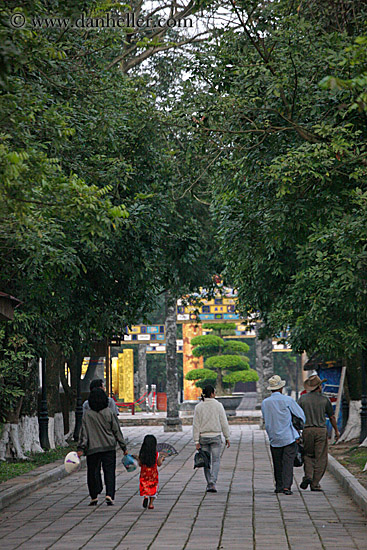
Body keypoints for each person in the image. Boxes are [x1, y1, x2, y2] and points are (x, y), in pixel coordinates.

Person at [77, 387, 128, 506]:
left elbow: (84, 434)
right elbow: (116, 431)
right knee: (109, 472)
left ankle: (94, 496)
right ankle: (109, 494)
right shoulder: (109, 412)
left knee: (92, 472)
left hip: (92, 448)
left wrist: (81, 448)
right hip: (108, 447)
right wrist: (123, 447)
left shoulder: (87, 415)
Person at [261, 375, 306, 495]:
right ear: (281, 388)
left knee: (277, 463)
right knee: (288, 463)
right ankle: (287, 486)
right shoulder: (288, 400)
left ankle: (279, 485)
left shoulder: (265, 403)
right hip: (288, 437)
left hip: (274, 437)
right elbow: (301, 416)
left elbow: (265, 418)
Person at [298, 374, 340, 491]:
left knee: (308, 454)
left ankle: (308, 476)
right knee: (321, 457)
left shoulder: (302, 399)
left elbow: (297, 415)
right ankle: (315, 483)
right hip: (321, 431)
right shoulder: (324, 399)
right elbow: (331, 417)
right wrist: (336, 430)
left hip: (307, 430)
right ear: (319, 387)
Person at [192, 384, 230, 493]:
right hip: (216, 436)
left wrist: (196, 440)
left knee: (206, 461)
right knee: (216, 460)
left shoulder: (199, 406)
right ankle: (213, 481)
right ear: (212, 393)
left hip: (203, 437)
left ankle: (209, 483)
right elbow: (224, 422)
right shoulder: (218, 405)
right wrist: (227, 436)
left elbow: (196, 425)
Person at [137, 434, 164, 510]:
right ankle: (151, 504)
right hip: (153, 475)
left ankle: (145, 495)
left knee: (145, 485)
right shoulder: (156, 454)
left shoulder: (142, 454)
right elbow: (159, 464)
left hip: (144, 474)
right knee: (153, 487)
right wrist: (161, 459)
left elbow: (140, 464)